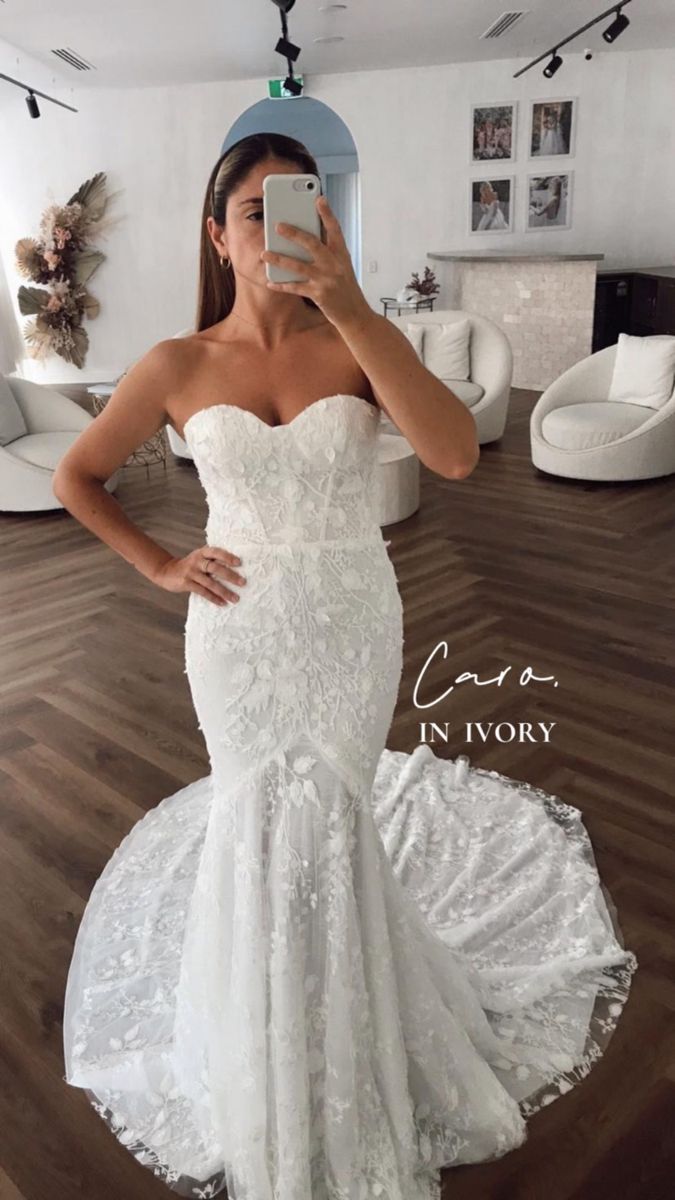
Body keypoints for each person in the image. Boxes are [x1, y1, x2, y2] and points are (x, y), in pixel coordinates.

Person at [56, 132, 637, 1199]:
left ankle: (348, 1025)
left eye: (301, 211)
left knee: (335, 816)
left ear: (325, 223)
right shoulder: (175, 366)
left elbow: (456, 454)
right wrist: (157, 564)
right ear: (218, 237)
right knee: (254, 819)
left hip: (349, 619)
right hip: (234, 632)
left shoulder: (354, 343)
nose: (277, 233)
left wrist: (358, 307)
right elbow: (80, 474)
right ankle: (260, 1044)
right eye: (255, 215)